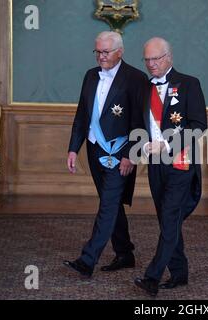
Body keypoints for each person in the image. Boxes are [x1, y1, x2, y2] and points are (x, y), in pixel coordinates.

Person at [63, 31, 147, 277]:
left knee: (108, 204)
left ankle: (87, 260)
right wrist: (72, 148)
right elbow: (82, 116)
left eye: (105, 52)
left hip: (120, 151)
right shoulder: (91, 75)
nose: (100, 57)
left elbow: (140, 121)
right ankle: (125, 253)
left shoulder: (136, 78)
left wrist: (132, 155)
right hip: (93, 148)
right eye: (97, 51)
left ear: (120, 51)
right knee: (111, 203)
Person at [134, 37, 207, 297]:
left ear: (169, 57)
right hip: (155, 164)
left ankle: (152, 277)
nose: (151, 64)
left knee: (169, 217)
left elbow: (199, 125)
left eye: (156, 59)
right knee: (168, 220)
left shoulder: (189, 84)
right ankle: (179, 272)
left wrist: (166, 144)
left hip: (180, 162)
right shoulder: (144, 87)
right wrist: (141, 144)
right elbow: (140, 124)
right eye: (147, 60)